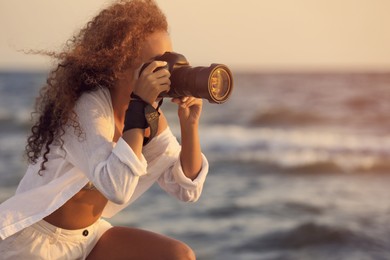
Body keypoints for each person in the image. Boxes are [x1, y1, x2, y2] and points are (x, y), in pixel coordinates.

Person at [0, 0, 209, 259]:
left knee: (178, 255)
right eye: (155, 64)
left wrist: (190, 125)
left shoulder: (148, 118)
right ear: (119, 67)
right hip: (35, 243)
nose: (165, 71)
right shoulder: (87, 109)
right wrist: (139, 106)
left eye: (168, 60)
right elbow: (116, 188)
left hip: (89, 239)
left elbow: (186, 189)